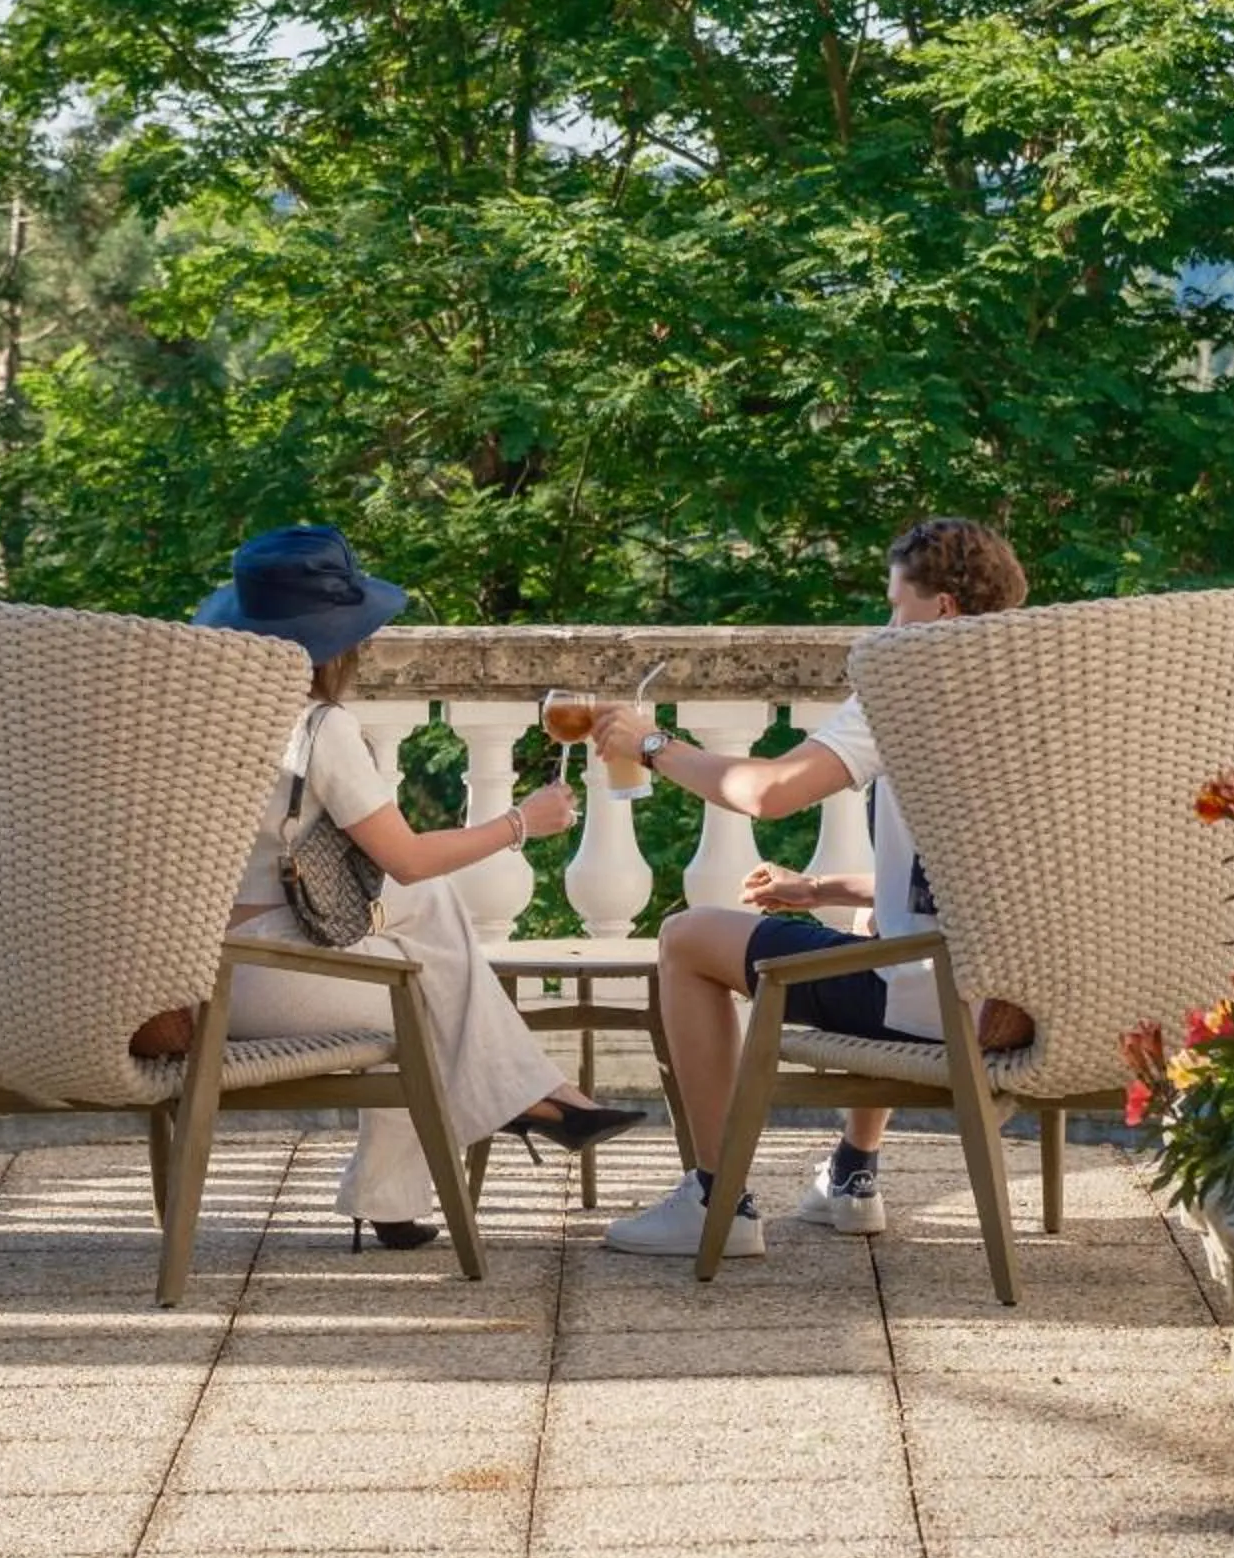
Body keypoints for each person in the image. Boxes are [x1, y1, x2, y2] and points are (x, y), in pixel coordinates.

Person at [594, 517, 1031, 1259]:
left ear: (944, 610)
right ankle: (852, 1174)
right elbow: (959, 887)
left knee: (688, 937)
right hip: (1032, 1008)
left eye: (896, 606)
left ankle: (716, 1199)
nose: (887, 625)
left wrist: (652, 744)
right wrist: (823, 885)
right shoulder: (1054, 703)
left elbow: (766, 792)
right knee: (870, 933)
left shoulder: (908, 689)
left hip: (934, 1007)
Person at [200, 525, 646, 1250]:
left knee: (427, 930)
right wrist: (520, 824)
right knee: (433, 996)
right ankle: (533, 1098)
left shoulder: (200, 719)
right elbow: (404, 857)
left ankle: (405, 1193)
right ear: (339, 643)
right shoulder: (318, 729)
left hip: (199, 964)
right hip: (260, 977)